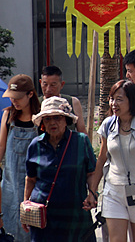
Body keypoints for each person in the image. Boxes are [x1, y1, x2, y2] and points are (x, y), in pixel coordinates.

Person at [91, 80, 135, 242]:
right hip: (113, 192)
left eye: (119, 99)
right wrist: (92, 191)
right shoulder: (108, 125)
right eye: (112, 99)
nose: (114, 104)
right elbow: (102, 158)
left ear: (132, 101)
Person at [24, 97, 97, 241]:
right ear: (43, 123)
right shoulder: (35, 145)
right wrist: (26, 206)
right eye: (47, 119)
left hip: (75, 215)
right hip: (43, 217)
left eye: (57, 118)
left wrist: (92, 194)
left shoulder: (81, 141)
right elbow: (30, 179)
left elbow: (92, 172)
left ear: (66, 120)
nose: (52, 123)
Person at [0, 74, 41, 241]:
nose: (14, 101)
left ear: (30, 94)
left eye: (17, 97)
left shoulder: (40, 118)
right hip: (9, 184)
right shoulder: (8, 115)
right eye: (12, 97)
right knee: (10, 228)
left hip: (34, 185)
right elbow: (1, 146)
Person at [39, 66, 87, 134]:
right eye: (45, 84)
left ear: (62, 84)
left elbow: (82, 130)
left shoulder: (72, 102)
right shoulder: (35, 103)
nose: (48, 89)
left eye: (53, 85)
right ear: (40, 82)